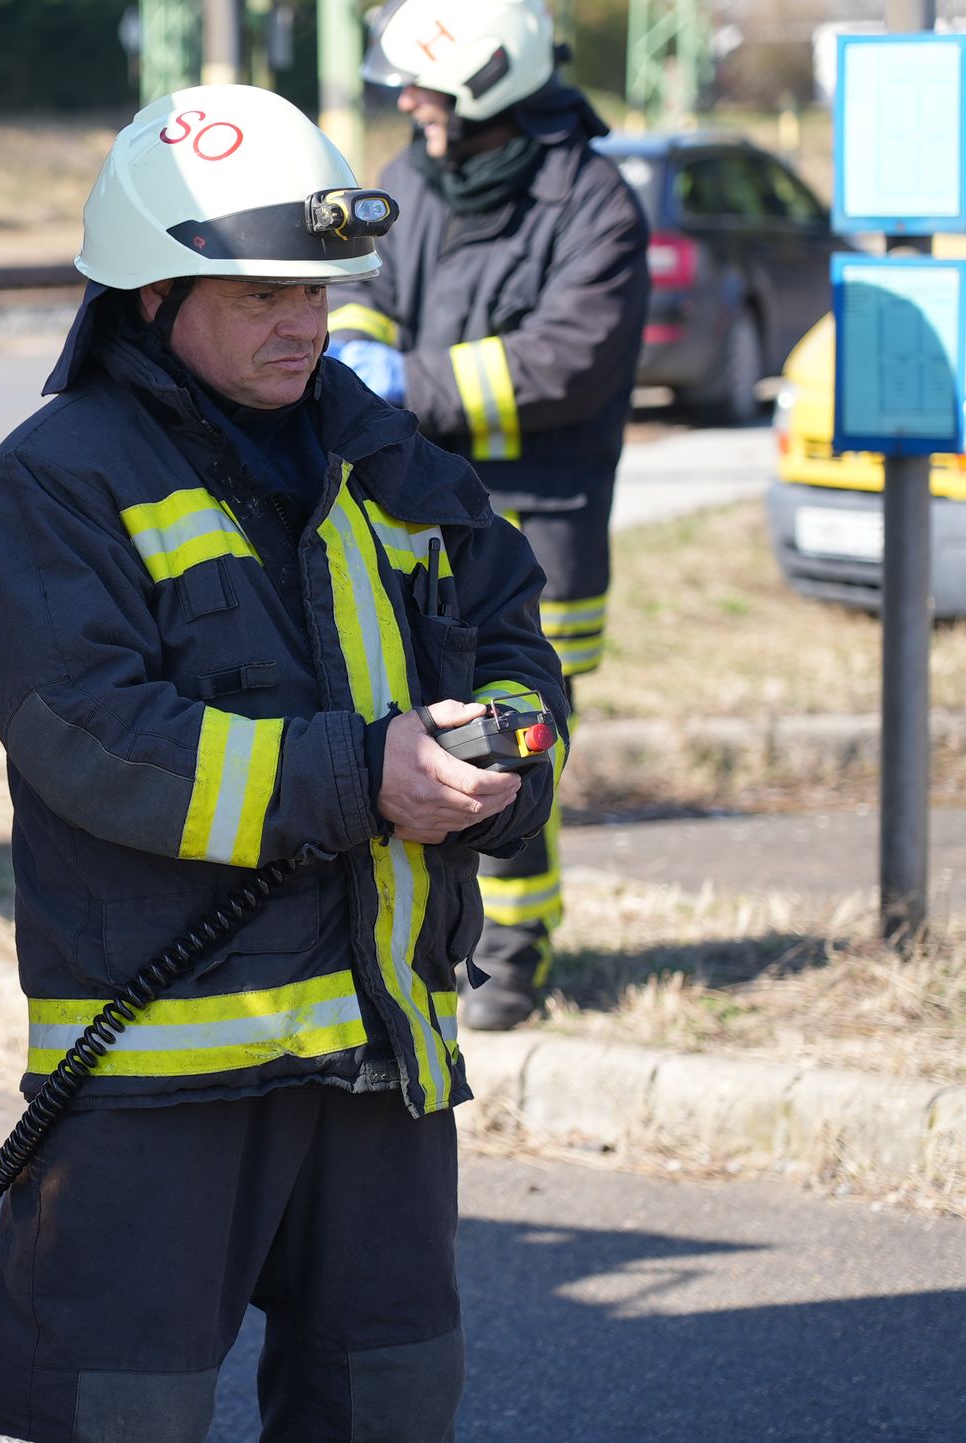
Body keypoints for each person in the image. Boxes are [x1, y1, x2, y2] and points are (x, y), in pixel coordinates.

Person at [0, 85, 569, 1443]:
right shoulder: (52, 486)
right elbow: (96, 738)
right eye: (261, 294)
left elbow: (511, 619)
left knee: (389, 1404)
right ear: (151, 296)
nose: (305, 323)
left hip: (381, 1053)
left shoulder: (378, 453)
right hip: (165, 1074)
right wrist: (366, 776)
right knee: (110, 1415)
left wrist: (511, 744)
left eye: (319, 290)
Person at [331, 0, 649, 1029]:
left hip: (539, 526)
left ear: (492, 84)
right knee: (426, 739)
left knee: (515, 742)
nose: (411, 102)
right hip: (420, 520)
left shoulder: (595, 201)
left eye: (429, 86)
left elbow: (566, 359)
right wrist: (353, 345)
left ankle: (511, 958)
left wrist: (408, 382)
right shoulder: (412, 180)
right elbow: (366, 291)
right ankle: (429, 944)